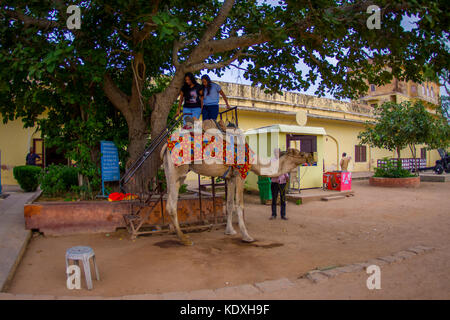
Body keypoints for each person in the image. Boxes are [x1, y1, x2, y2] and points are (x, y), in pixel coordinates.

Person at [270, 149, 289, 220]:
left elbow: (285, 170)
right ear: (274, 153)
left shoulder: (283, 161)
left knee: (283, 199)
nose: (276, 153)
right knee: (274, 199)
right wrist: (275, 174)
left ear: (280, 153)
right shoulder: (272, 161)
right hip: (274, 182)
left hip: (282, 182)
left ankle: (283, 215)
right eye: (275, 152)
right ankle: (273, 214)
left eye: (278, 152)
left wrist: (287, 177)